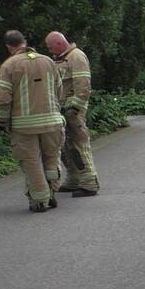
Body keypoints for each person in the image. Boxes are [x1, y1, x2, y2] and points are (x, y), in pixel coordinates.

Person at [0, 30, 65, 212]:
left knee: (31, 161)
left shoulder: (8, 66)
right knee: (51, 158)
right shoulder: (48, 61)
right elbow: (59, 90)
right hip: (52, 121)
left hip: (24, 125)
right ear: (24, 42)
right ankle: (51, 192)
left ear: (9, 47)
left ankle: (40, 201)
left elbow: (4, 99)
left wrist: (3, 121)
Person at [44, 31, 99, 196]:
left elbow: (83, 85)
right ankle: (74, 179)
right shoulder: (62, 59)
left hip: (73, 112)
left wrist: (74, 108)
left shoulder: (76, 57)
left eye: (50, 46)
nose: (49, 50)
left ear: (59, 43)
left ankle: (89, 183)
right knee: (66, 146)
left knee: (78, 145)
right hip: (63, 111)